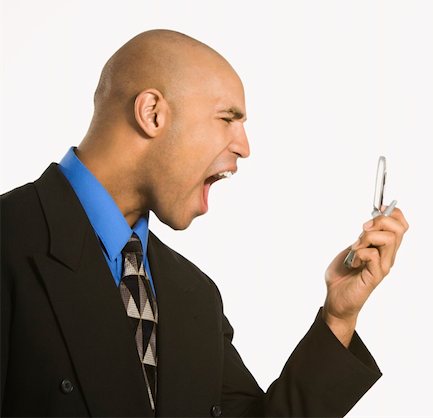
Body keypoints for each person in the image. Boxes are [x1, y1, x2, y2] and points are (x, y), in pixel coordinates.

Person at [0, 29, 409, 418]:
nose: (244, 147)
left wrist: (338, 318)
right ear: (152, 114)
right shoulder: (9, 241)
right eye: (227, 118)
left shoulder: (194, 294)